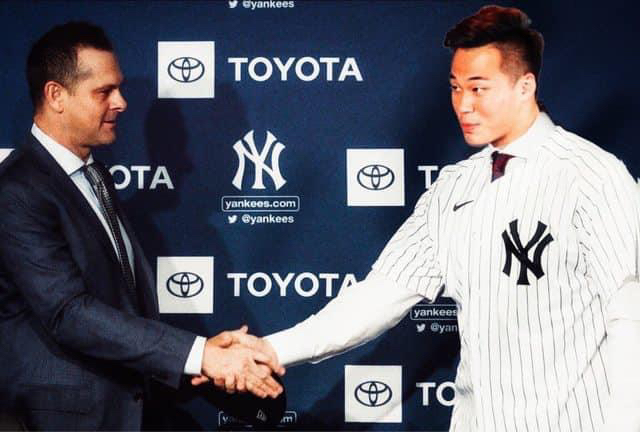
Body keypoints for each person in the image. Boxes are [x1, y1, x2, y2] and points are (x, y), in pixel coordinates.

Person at [228, 6, 640, 431]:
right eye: (456, 88)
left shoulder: (593, 176)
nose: (464, 105)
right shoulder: (453, 187)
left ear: (525, 86)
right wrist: (268, 351)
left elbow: (630, 317)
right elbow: (377, 298)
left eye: (478, 88)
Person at [0, 22, 284, 430]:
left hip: (126, 411)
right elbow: (69, 312)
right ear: (56, 95)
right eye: (104, 92)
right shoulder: (17, 190)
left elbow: (119, 307)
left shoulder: (96, 177)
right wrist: (198, 354)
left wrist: (194, 356)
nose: (121, 102)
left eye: (118, 88)